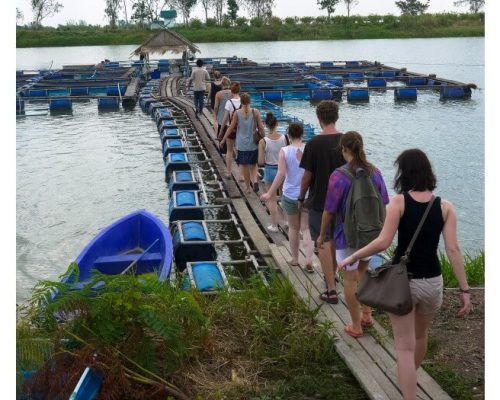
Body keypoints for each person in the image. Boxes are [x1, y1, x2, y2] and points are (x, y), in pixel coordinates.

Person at [338, 148, 471, 400]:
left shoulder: (398, 203)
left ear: (404, 173)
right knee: (420, 336)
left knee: (404, 348)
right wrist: (465, 290)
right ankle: (409, 375)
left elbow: (383, 242)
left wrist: (354, 256)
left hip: (403, 284)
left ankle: (407, 386)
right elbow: (453, 249)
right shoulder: (445, 207)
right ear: (428, 172)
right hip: (433, 282)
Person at [317, 131, 389, 337]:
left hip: (345, 235)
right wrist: (382, 232)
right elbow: (384, 203)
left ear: (344, 150)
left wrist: (322, 235)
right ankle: (367, 314)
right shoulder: (375, 172)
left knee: (349, 279)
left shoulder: (339, 176)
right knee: (364, 273)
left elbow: (329, 209)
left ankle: (356, 326)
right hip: (370, 235)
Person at [298, 100, 344, 304]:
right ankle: (332, 278)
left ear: (319, 118)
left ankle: (331, 288)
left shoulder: (314, 143)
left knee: (323, 241)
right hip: (344, 201)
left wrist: (301, 198)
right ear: (337, 116)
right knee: (337, 241)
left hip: (320, 200)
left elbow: (307, 176)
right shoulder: (346, 141)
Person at [260, 123, 314, 272]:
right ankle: (309, 260)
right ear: (303, 135)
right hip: (308, 194)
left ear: (289, 136)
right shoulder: (309, 149)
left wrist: (270, 193)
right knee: (306, 228)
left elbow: (281, 173)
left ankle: (295, 259)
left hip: (290, 194)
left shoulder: (285, 151)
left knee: (294, 228)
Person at [221, 93, 264, 194]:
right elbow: (261, 128)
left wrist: (223, 139)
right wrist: (264, 139)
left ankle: (248, 188)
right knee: (253, 165)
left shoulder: (237, 113)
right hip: (253, 143)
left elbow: (231, 128)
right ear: (250, 101)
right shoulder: (255, 112)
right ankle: (255, 181)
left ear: (241, 102)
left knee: (244, 166)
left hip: (241, 144)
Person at [258, 112, 288, 232]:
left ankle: (274, 225)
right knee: (284, 197)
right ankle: (287, 221)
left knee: (272, 199)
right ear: (277, 124)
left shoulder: (263, 141)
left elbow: (260, 161)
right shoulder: (284, 138)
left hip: (270, 170)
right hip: (283, 170)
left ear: (266, 125)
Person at [219, 82, 241, 179]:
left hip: (231, 129)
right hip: (241, 129)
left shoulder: (229, 102)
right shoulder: (243, 101)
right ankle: (242, 174)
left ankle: (228, 172)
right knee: (241, 151)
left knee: (229, 151)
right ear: (239, 90)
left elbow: (225, 119)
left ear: (231, 91)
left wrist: (221, 130)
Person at [213, 76, 232, 142]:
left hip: (221, 116)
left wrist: (215, 115)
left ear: (222, 84)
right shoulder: (233, 93)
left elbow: (216, 107)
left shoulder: (218, 94)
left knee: (221, 134)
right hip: (231, 117)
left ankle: (222, 149)